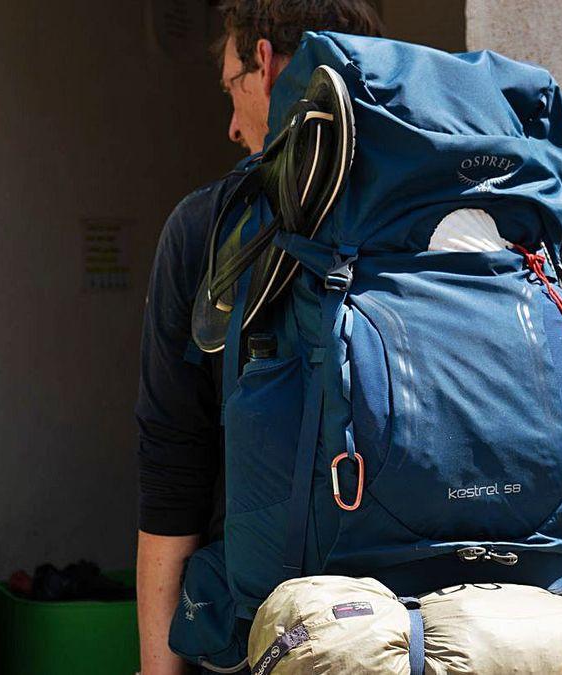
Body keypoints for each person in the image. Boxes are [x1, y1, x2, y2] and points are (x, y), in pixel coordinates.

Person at [135, 2, 382, 673]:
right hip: (458, 624)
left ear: (267, 67)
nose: (232, 124)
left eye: (231, 86)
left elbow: (174, 465)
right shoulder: (465, 208)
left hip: (280, 638)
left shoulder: (211, 227)